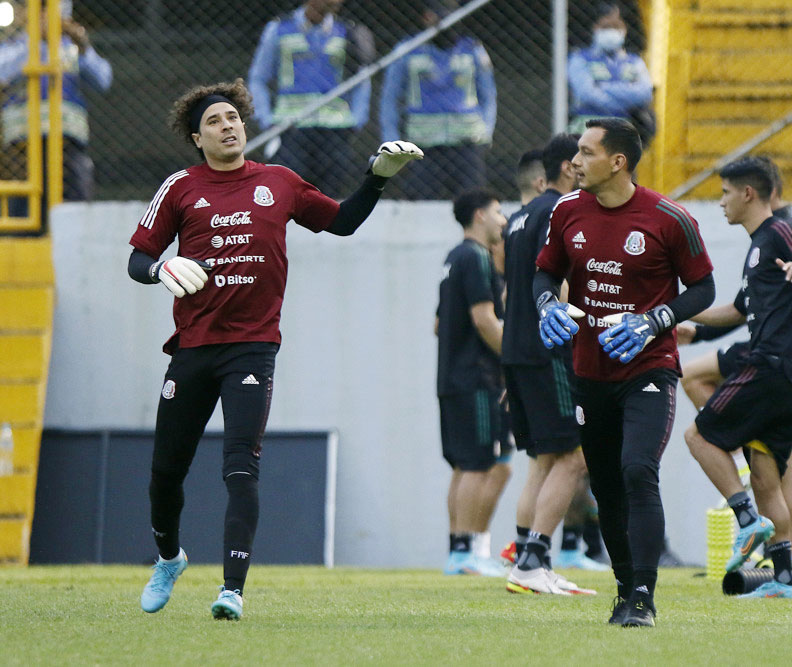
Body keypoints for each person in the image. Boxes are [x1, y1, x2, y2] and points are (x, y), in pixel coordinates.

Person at [127, 79, 422, 620]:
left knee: (241, 469)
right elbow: (137, 259)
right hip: (192, 348)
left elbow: (342, 222)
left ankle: (232, 591)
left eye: (234, 117)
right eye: (215, 121)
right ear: (197, 138)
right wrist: (160, 267)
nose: (229, 125)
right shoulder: (180, 187)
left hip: (252, 347)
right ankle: (169, 558)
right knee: (165, 472)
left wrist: (376, 180)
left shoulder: (279, 182)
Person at [534, 118, 716, 626]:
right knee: (607, 486)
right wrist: (547, 304)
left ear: (618, 161)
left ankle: (643, 596)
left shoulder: (668, 218)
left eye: (587, 153)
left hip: (649, 368)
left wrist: (655, 319)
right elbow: (546, 270)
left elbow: (702, 289)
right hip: (590, 372)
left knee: (638, 469)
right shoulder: (567, 210)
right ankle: (623, 586)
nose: (575, 162)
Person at [683, 156, 792, 600]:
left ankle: (748, 522)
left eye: (725, 193)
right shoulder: (758, 248)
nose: (721, 203)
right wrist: (681, 321)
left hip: (772, 364)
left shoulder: (781, 232)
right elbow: (736, 310)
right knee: (766, 476)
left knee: (698, 437)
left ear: (748, 193)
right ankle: (787, 579)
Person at [502, 133, 602, 596]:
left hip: (517, 352)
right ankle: (535, 560)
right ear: (566, 167)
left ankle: (525, 560)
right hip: (550, 350)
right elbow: (561, 285)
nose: (584, 167)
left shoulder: (518, 219)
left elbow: (511, 293)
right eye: (579, 159)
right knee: (574, 456)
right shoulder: (560, 211)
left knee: (543, 460)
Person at [437, 188, 511, 577]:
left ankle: (463, 550)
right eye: (499, 211)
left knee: (471, 466)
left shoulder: (453, 258)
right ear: (480, 215)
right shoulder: (477, 257)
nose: (504, 220)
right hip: (477, 379)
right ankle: (465, 552)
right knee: (480, 465)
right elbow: (485, 320)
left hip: (452, 377)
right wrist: (514, 361)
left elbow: (437, 324)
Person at [248, 0, 374, 199]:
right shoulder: (279, 28)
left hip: (336, 128)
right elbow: (258, 78)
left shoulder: (348, 31)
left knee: (330, 198)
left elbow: (361, 79)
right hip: (290, 127)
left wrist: (357, 119)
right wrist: (266, 119)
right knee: (288, 194)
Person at [0, 2, 112, 220]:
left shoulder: (72, 47)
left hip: (67, 142)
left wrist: (84, 47)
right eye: (40, 9)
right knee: (22, 211)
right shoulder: (14, 46)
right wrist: (35, 43)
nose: (46, 16)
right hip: (21, 143)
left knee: (74, 206)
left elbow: (103, 80)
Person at [379, 0, 496, 200]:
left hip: (466, 143)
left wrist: (486, 132)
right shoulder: (407, 49)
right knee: (421, 204)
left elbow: (489, 95)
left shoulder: (473, 49)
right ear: (427, 17)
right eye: (440, 16)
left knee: (472, 205)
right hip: (422, 146)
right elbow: (389, 100)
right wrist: (392, 143)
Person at [567, 3, 653, 141]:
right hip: (587, 126)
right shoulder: (580, 58)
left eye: (616, 27)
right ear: (595, 28)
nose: (611, 32)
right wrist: (623, 100)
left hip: (624, 127)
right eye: (606, 27)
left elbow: (644, 93)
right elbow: (586, 93)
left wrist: (603, 87)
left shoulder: (634, 61)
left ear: (624, 30)